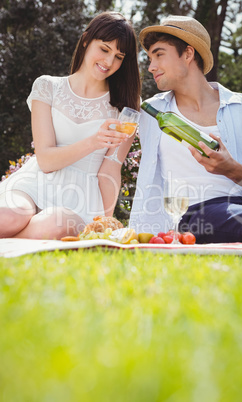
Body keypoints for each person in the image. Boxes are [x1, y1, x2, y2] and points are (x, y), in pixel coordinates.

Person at [0, 11, 141, 240]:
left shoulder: (125, 108)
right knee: (9, 217)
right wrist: (94, 141)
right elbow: (45, 160)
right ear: (86, 40)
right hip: (35, 183)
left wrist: (105, 225)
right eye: (104, 49)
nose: (109, 62)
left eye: (118, 56)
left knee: (54, 224)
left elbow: (110, 169)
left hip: (81, 199)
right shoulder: (47, 87)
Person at [130, 15, 242, 244]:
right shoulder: (150, 111)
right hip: (192, 215)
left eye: (159, 55)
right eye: (149, 58)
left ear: (188, 54)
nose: (151, 67)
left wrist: (233, 170)